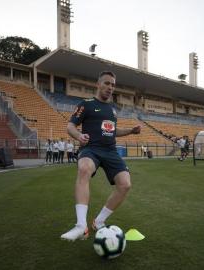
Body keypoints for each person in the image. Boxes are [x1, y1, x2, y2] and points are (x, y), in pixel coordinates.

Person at [61, 71, 141, 241]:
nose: (110, 87)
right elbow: (70, 126)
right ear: (98, 84)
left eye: (113, 85)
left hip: (111, 151)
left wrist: (131, 131)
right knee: (84, 169)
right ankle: (81, 226)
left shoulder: (112, 111)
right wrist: (79, 136)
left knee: (125, 184)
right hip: (91, 149)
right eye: (107, 83)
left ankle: (99, 221)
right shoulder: (86, 104)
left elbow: (113, 131)